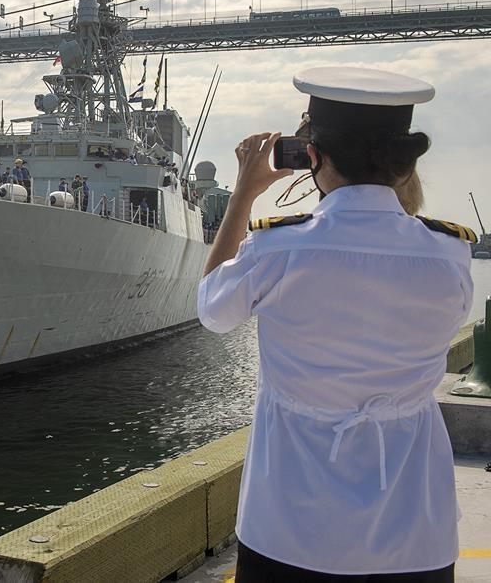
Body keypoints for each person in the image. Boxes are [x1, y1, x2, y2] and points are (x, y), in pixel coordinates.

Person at [198, 67, 474, 583]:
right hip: (415, 527)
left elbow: (213, 309)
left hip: (290, 526)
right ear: (404, 163)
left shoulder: (278, 248)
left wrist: (244, 193)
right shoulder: (450, 255)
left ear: (313, 156)